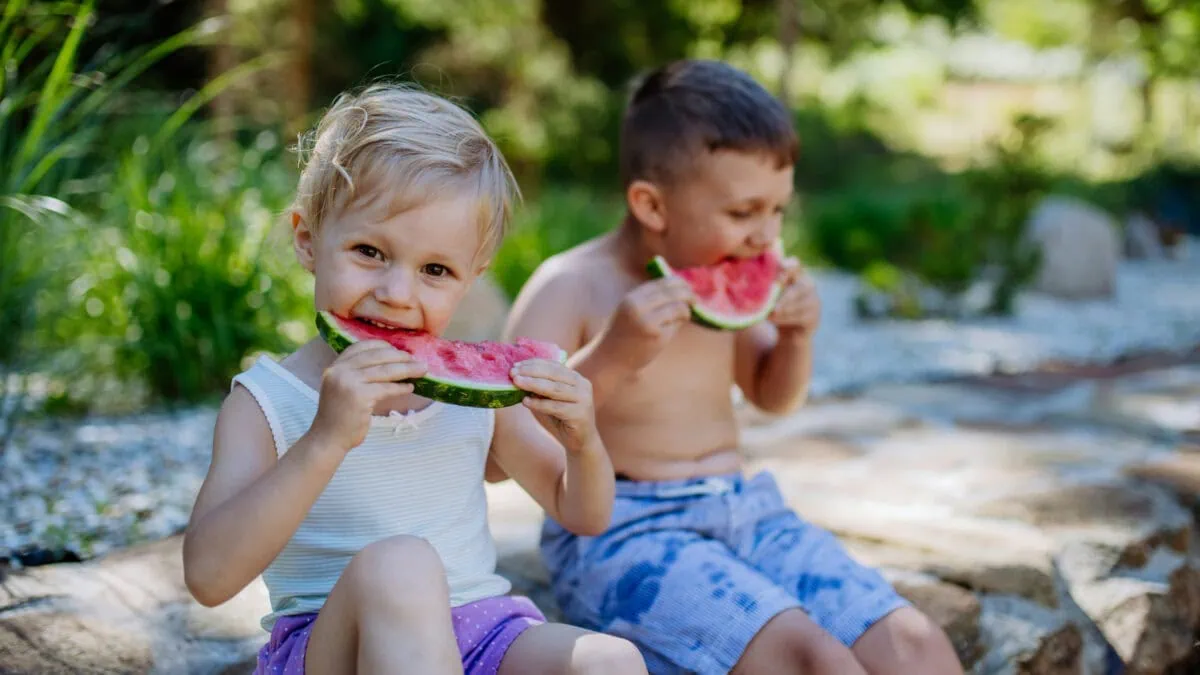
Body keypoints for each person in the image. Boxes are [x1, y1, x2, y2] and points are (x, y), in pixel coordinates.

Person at [501, 60, 964, 675]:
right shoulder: (572, 286)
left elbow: (771, 394)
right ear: (651, 205)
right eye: (745, 212)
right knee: (810, 658)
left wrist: (797, 337)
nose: (765, 236)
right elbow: (500, 447)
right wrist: (613, 356)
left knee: (916, 645)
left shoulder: (720, 272)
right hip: (623, 531)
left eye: (778, 210)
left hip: (746, 509)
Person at [182, 82, 646, 675]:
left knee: (611, 661)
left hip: (479, 634)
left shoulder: (478, 401)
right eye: (369, 252)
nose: (397, 294)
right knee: (401, 566)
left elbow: (582, 513)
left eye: (434, 269)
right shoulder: (267, 404)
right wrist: (324, 440)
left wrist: (583, 443)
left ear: (471, 278)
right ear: (307, 239)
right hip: (336, 645)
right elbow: (208, 577)